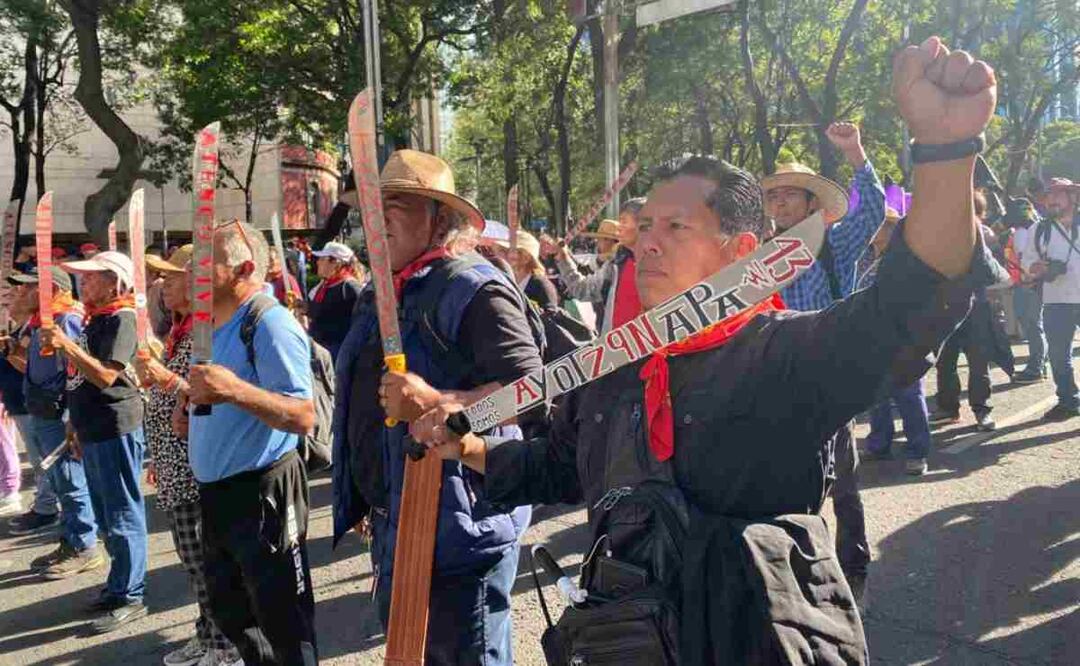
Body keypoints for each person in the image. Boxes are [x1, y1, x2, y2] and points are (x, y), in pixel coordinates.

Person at [409, 36, 995, 663]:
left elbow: (913, 299)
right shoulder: (610, 366)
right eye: (645, 227)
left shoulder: (786, 355)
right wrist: (465, 445)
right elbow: (560, 466)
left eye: (675, 227)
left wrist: (945, 151)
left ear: (740, 252)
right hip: (625, 643)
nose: (646, 243)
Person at [333, 149, 542, 665]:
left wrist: (442, 404)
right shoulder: (382, 289)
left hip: (460, 533)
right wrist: (367, 496)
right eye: (371, 208)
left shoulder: (475, 288)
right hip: (399, 523)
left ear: (440, 218)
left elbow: (536, 395)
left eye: (395, 205)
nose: (376, 219)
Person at [179, 219, 317, 665]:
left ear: (244, 269)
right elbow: (215, 395)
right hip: (218, 495)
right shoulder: (212, 326)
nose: (193, 271)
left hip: (263, 491)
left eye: (207, 262)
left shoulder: (269, 322)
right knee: (232, 612)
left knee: (284, 621)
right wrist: (190, 412)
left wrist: (233, 390)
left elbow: (303, 415)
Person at [761, 122, 884, 598]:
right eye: (775, 196)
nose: (780, 203)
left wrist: (855, 152)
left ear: (812, 203)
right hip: (777, 378)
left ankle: (854, 565)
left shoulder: (834, 243)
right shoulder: (762, 256)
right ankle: (798, 571)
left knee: (844, 482)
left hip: (829, 376)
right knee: (788, 480)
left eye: (790, 194)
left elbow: (871, 210)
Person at [135, 249, 242, 666]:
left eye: (173, 277)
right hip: (174, 465)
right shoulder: (179, 331)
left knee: (207, 563)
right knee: (192, 562)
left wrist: (167, 380)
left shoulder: (205, 332)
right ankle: (207, 633)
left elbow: (209, 392)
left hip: (195, 467)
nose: (164, 286)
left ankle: (226, 643)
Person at [41, 251, 146, 633]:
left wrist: (66, 345)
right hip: (93, 427)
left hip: (114, 426)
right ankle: (119, 586)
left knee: (122, 514)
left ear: (114, 282)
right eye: (82, 278)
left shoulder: (122, 318)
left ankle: (131, 594)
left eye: (91, 277)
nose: (82, 283)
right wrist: (74, 422)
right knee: (106, 514)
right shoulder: (97, 317)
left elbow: (105, 376)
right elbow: (79, 379)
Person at [6, 269, 103, 581]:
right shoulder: (41, 323)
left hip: (58, 415)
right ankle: (71, 540)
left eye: (28, 287)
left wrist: (71, 416)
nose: (20, 292)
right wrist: (15, 352)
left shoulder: (66, 320)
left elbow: (78, 371)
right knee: (60, 482)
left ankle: (85, 546)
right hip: (42, 411)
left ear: (49, 289)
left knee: (71, 482)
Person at [860, 209, 934, 471]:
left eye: (882, 225)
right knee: (875, 396)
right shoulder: (862, 257)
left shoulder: (908, 258)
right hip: (869, 335)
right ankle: (879, 444)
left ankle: (917, 451)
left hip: (904, 336)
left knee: (909, 395)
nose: (874, 230)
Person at [931, 190, 1011, 431]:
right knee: (946, 362)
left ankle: (981, 410)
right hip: (947, 307)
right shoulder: (940, 234)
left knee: (978, 362)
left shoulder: (985, 235)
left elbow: (996, 272)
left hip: (976, 307)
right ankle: (949, 408)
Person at [1023, 177, 1080, 420]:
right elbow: (1027, 262)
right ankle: (1068, 401)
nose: (1051, 200)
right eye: (1048, 196)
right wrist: (1037, 268)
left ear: (1072, 197)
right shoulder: (1039, 230)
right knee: (1058, 357)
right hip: (1056, 301)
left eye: (1058, 194)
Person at [546, 198, 646, 334]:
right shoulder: (616, 264)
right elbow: (583, 289)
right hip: (617, 345)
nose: (619, 227)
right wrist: (563, 259)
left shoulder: (670, 264)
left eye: (624, 221)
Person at [1008, 199, 1048, 383]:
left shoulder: (1023, 232)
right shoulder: (1033, 229)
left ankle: (1036, 368)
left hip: (1027, 284)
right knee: (1034, 325)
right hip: (1030, 284)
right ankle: (1039, 365)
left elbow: (1025, 259)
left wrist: (1027, 281)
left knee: (1032, 326)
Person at [307, 241, 363, 359]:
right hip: (322, 350)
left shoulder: (349, 287)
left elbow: (359, 322)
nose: (318, 262)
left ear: (335, 263)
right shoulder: (324, 285)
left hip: (338, 352)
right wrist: (305, 307)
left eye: (322, 259)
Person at [507, 231, 559, 310]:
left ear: (526, 258)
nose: (507, 256)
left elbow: (550, 316)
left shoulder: (542, 287)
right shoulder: (507, 282)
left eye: (512, 251)